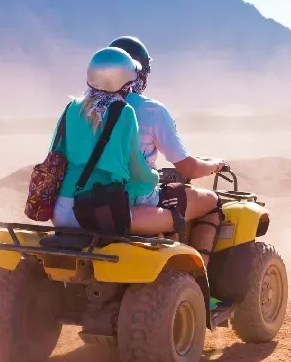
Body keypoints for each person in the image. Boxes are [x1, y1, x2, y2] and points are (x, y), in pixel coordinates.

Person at [51, 46, 214, 240]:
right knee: (184, 212)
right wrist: (156, 177)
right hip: (101, 213)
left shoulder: (71, 108)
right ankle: (195, 264)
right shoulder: (124, 112)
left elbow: (55, 156)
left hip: (61, 212)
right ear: (126, 81)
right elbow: (137, 171)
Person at [107, 35, 226, 264]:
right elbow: (189, 169)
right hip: (132, 204)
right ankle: (199, 281)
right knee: (211, 200)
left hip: (81, 202)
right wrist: (214, 164)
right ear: (138, 72)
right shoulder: (151, 110)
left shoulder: (82, 108)